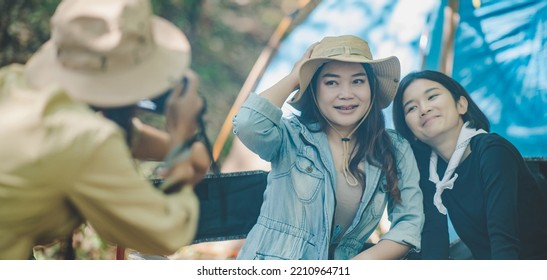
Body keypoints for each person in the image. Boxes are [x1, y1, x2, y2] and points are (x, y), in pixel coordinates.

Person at [0, 0, 211, 259]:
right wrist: (182, 139)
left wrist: (173, 147)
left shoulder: (13, 82)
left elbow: (106, 135)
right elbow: (167, 235)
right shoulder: (86, 141)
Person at [233, 35, 424, 260]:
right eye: (331, 82)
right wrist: (295, 77)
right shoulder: (291, 136)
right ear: (314, 90)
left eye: (358, 81)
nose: (346, 94)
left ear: (372, 88)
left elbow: (409, 222)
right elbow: (247, 124)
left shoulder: (395, 148)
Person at [392, 70, 547, 259]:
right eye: (411, 108)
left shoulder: (492, 151)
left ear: (461, 105)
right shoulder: (431, 174)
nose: (423, 109)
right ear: (410, 131)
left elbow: (505, 245)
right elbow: (434, 242)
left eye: (432, 96)